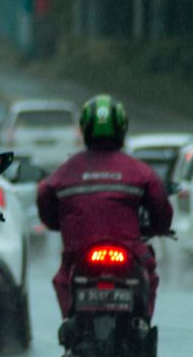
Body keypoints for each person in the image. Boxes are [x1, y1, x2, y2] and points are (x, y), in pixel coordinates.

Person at [36, 95, 173, 320]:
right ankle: (143, 324)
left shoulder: (66, 171)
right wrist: (159, 227)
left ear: (85, 129)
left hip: (79, 252)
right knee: (150, 272)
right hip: (129, 252)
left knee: (62, 278)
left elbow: (45, 196)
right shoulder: (139, 171)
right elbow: (161, 208)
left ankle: (69, 327)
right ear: (122, 128)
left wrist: (56, 222)